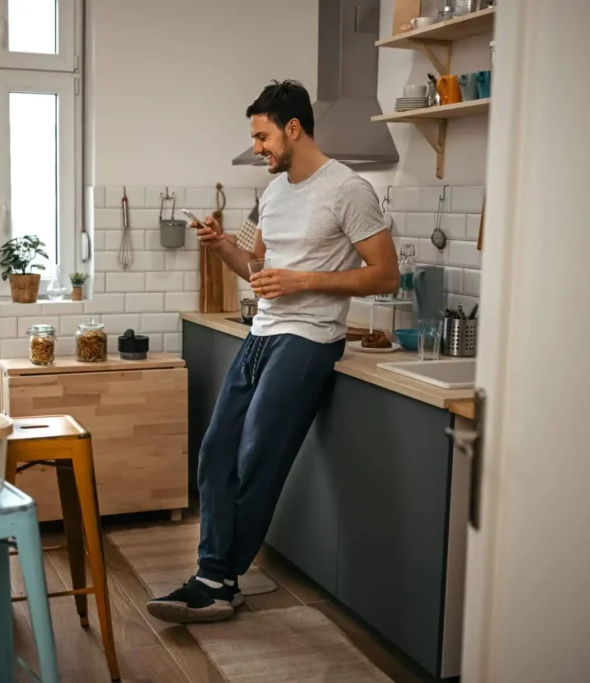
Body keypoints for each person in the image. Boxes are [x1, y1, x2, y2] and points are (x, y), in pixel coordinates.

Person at [146, 80, 400, 623]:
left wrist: (302, 280)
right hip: (262, 334)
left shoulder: (348, 190)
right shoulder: (274, 193)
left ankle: (217, 579)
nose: (257, 148)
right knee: (216, 452)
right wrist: (221, 248)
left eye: (262, 137)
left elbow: (386, 274)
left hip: (309, 339)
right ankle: (215, 577)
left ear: (293, 128)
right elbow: (256, 269)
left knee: (257, 453)